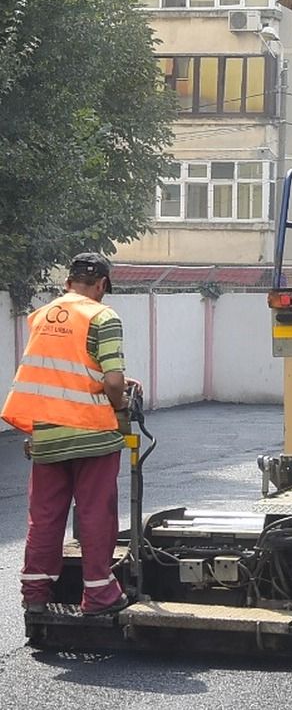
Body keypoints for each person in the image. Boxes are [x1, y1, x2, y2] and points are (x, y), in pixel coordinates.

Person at [2, 253, 139, 616]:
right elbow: (110, 380)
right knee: (96, 513)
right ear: (102, 285)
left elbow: (57, 376)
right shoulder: (102, 316)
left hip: (48, 434)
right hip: (93, 434)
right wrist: (120, 398)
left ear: (67, 283)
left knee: (45, 517)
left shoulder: (41, 317)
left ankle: (35, 594)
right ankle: (99, 595)